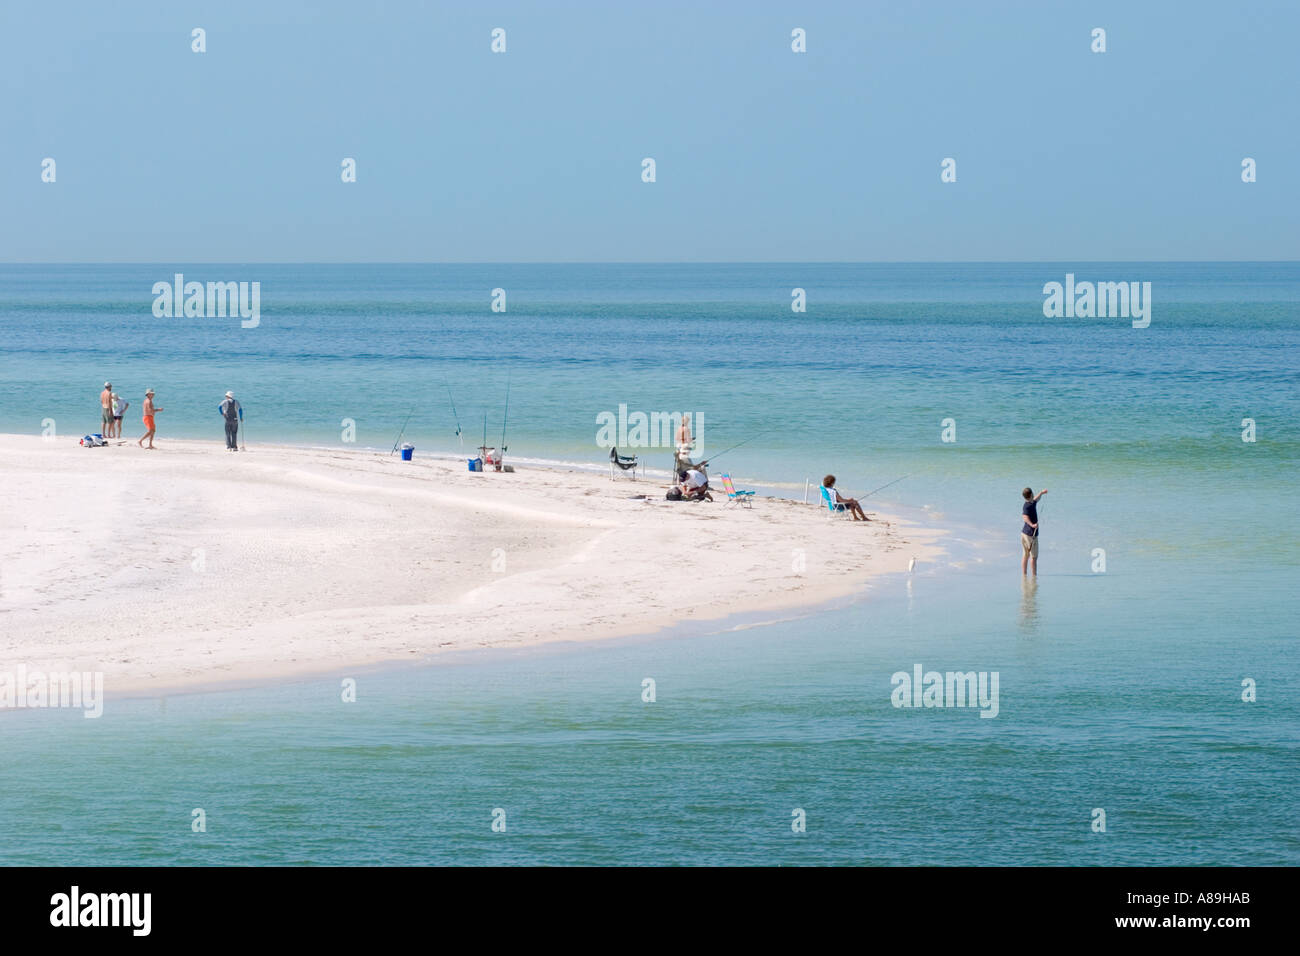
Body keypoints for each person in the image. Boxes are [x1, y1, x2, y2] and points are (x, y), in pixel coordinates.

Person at [1020, 487, 1048, 576]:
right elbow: (1024, 517)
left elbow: (1036, 499)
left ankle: (1024, 574)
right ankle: (1034, 576)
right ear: (1031, 494)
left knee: (1026, 555)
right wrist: (1032, 525)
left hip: (1024, 533)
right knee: (1034, 557)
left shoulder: (1031, 502)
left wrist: (1041, 492)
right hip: (1030, 535)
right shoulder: (1027, 506)